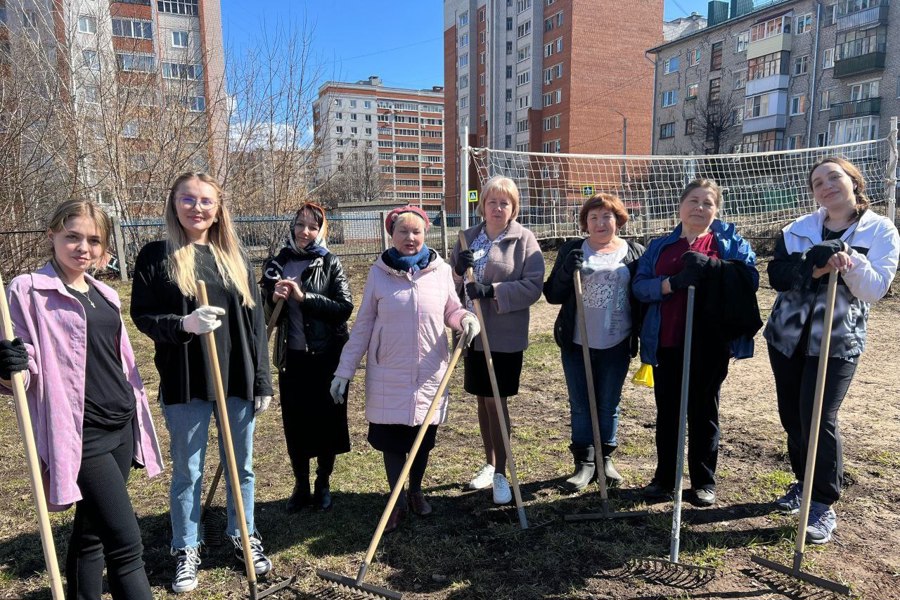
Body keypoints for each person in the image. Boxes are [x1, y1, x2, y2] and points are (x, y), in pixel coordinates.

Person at [0, 200, 163, 600]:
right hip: (81, 432)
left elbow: (117, 358)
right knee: (127, 544)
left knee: (92, 534)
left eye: (93, 240)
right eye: (72, 236)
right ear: (53, 234)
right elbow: (24, 367)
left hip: (122, 423)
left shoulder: (104, 292)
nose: (82, 247)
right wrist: (9, 365)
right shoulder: (28, 290)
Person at [130, 172, 274, 593]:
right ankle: (186, 547)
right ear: (174, 203)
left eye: (206, 201)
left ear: (218, 207)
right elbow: (142, 316)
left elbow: (256, 324)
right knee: (188, 471)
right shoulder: (156, 255)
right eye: (188, 199)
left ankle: (243, 536)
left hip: (237, 378)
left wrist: (262, 380)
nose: (197, 208)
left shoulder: (233, 255)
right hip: (186, 380)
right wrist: (183, 324)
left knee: (241, 468)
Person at [765, 157, 899, 544]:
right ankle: (801, 483)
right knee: (793, 415)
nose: (826, 186)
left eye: (834, 177)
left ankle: (822, 502)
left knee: (818, 415)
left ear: (853, 181)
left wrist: (849, 259)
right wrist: (816, 265)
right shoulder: (798, 230)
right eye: (817, 182)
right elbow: (779, 277)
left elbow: (874, 290)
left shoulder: (880, 230)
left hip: (837, 341)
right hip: (787, 337)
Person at [330, 206, 480, 533]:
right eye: (402, 231)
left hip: (429, 370)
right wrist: (345, 370)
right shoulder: (378, 272)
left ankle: (415, 492)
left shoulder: (439, 270)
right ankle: (396, 500)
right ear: (392, 234)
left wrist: (465, 319)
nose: (410, 238)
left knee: (422, 440)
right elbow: (364, 324)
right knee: (393, 441)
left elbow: (451, 309)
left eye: (416, 232)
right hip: (389, 371)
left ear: (425, 234)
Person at [632, 179, 760, 507]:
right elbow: (640, 286)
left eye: (707, 203)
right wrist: (671, 283)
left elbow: (750, 280)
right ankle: (665, 479)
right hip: (668, 339)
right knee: (669, 413)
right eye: (693, 201)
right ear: (681, 205)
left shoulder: (728, 242)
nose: (699, 208)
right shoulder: (661, 246)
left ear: (716, 210)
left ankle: (704, 482)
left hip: (710, 343)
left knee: (704, 413)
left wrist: (714, 267)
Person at [450, 176, 544, 504]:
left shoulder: (524, 240)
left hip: (504, 334)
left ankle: (502, 471)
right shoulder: (466, 239)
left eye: (505, 202)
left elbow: (534, 285)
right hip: (472, 333)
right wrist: (460, 272)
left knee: (496, 400)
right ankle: (488, 464)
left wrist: (493, 292)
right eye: (493, 201)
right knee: (480, 397)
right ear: (483, 205)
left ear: (513, 207)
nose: (498, 208)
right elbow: (452, 285)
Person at [543, 193, 644, 491]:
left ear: (619, 220)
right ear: (585, 223)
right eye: (593, 217)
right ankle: (584, 462)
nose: (600, 223)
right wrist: (565, 271)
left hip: (617, 341)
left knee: (609, 404)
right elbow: (553, 295)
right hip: (577, 341)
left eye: (607, 217)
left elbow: (643, 298)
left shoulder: (635, 252)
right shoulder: (573, 249)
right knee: (581, 403)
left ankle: (605, 460)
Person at [260, 202, 353, 513]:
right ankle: (300, 485)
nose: (305, 231)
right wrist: (273, 299)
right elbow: (263, 315)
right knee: (295, 423)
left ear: (321, 230)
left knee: (326, 421)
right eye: (300, 224)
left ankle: (322, 483)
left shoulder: (329, 262)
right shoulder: (276, 264)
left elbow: (344, 307)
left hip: (327, 356)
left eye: (313, 226)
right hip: (292, 358)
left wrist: (305, 298)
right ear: (292, 226)